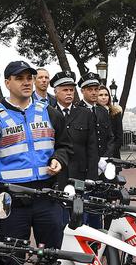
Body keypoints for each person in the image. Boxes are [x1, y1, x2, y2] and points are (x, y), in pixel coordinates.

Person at [0, 60, 72, 265]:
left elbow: (66, 146)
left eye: (29, 78)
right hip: (10, 202)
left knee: (53, 258)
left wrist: (59, 159)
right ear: (7, 83)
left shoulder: (50, 113)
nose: (27, 82)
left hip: (47, 198)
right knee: (11, 262)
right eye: (20, 78)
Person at [50, 69, 98, 190]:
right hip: (57, 173)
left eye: (71, 90)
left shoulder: (85, 114)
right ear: (56, 92)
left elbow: (92, 147)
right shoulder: (48, 114)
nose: (69, 93)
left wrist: (91, 176)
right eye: (65, 90)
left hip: (80, 173)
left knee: (79, 207)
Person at [77, 71, 112, 227]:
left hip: (101, 170)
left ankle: (97, 246)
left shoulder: (102, 111)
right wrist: (93, 161)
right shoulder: (76, 111)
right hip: (84, 169)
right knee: (83, 213)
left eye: (96, 89)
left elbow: (111, 138)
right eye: (89, 89)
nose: (94, 92)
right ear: (82, 91)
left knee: (97, 211)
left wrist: (105, 158)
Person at [97, 84, 123, 158]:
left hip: (113, 155)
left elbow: (119, 137)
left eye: (106, 95)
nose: (104, 97)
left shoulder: (116, 113)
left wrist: (110, 152)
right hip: (96, 155)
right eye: (100, 95)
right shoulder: (91, 112)